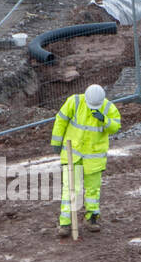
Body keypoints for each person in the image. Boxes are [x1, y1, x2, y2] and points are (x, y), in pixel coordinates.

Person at [50, 84, 122, 237]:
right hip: (73, 154)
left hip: (94, 158)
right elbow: (60, 120)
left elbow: (115, 127)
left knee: (92, 190)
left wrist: (105, 120)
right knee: (70, 189)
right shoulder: (74, 102)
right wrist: (56, 143)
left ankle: (92, 218)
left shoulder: (109, 108)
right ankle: (65, 222)